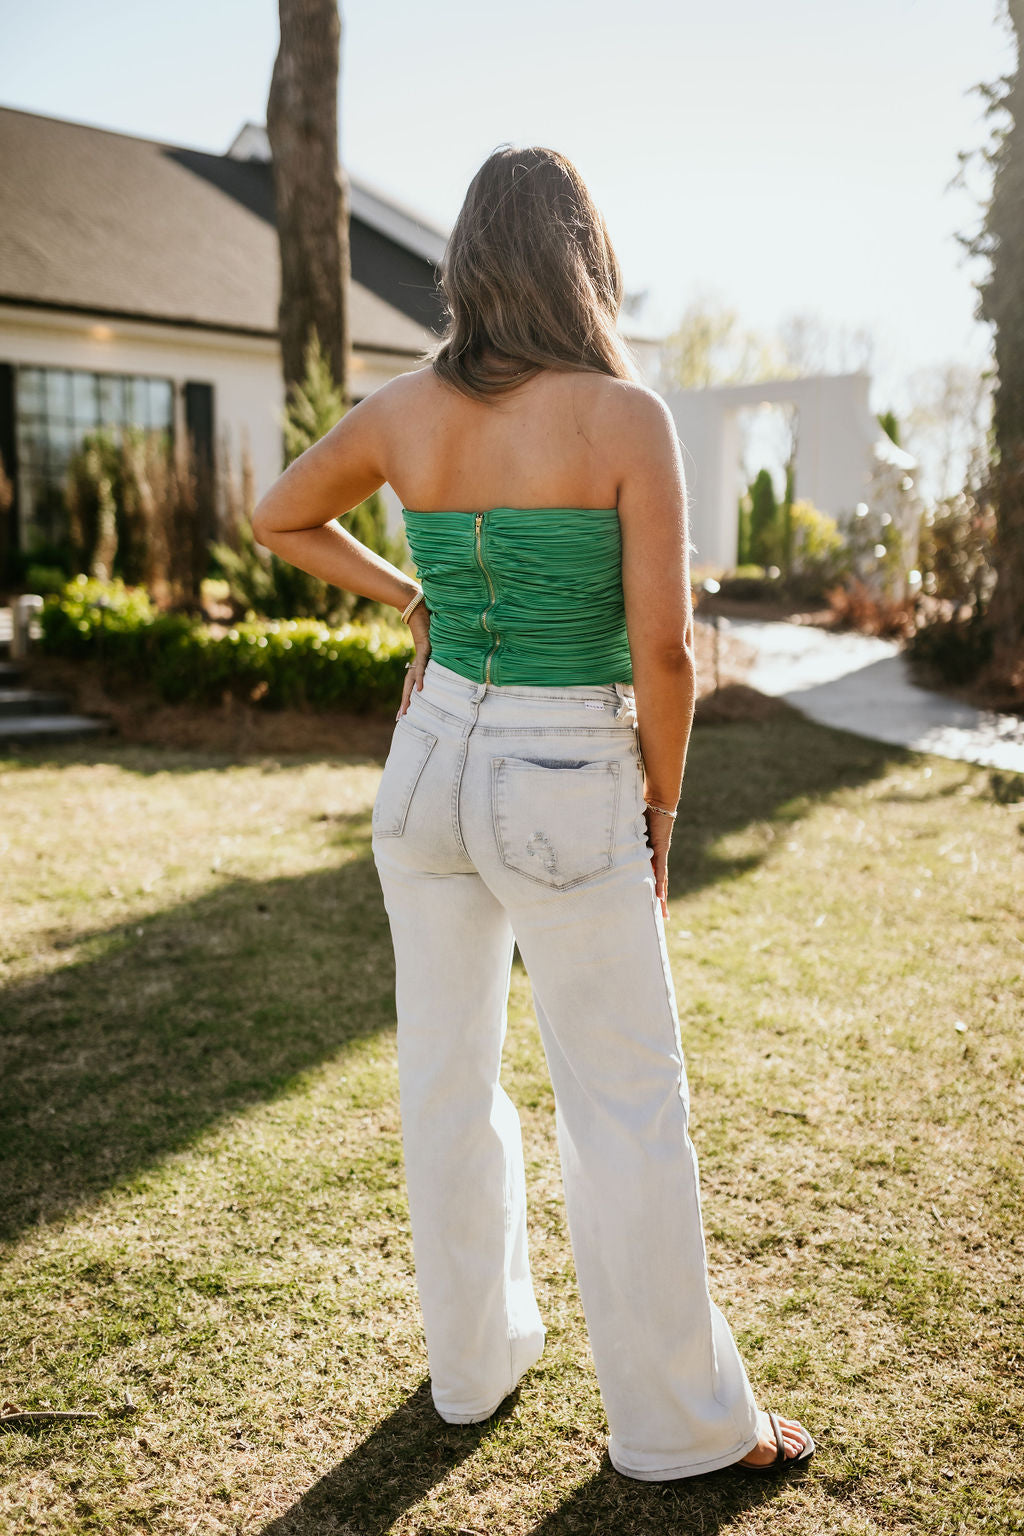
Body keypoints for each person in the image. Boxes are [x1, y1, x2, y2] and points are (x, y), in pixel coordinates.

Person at [252, 144, 814, 1481]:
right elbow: (667, 653)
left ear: (465, 263)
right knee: (624, 1108)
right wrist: (662, 805)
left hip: (429, 763)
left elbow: (280, 515)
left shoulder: (402, 409)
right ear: (583, 258)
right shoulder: (625, 419)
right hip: (569, 776)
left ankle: (472, 1370)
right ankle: (680, 1427)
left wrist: (411, 595)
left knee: (444, 1081)